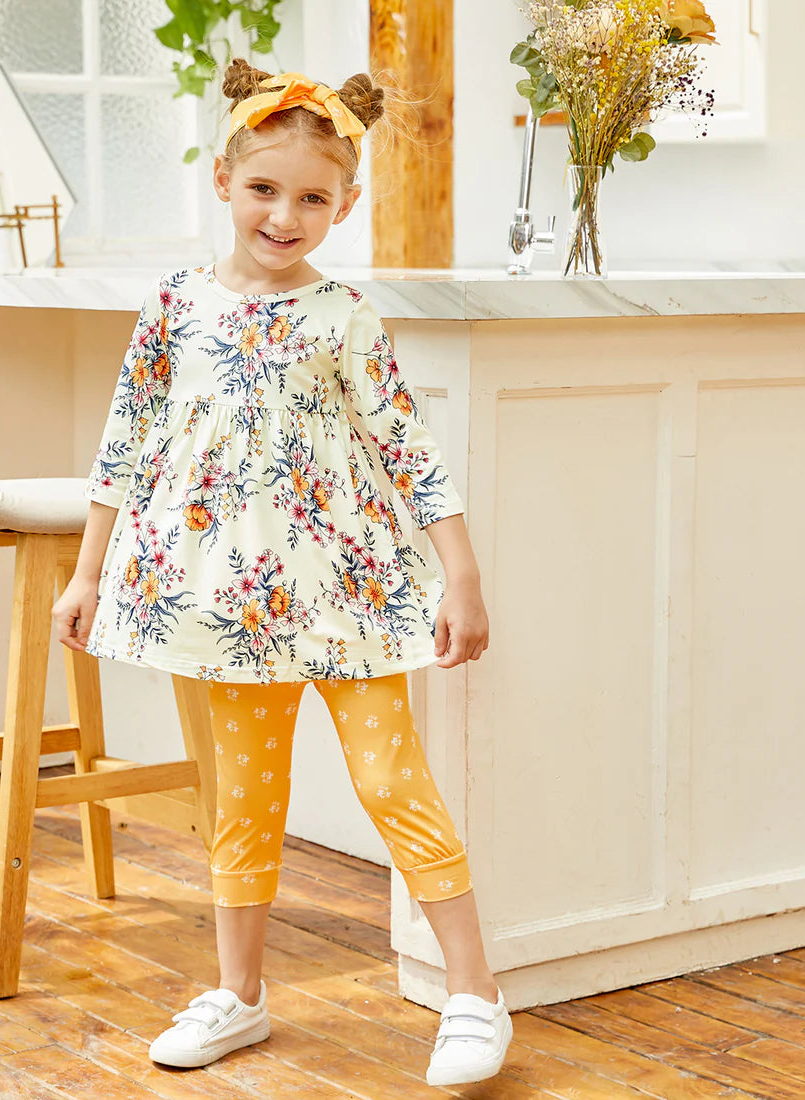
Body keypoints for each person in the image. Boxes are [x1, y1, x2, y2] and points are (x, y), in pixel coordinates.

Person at [52, 57, 510, 1088]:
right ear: (222, 180)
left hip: (345, 593)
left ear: (344, 204)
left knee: (390, 780)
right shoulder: (173, 305)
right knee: (246, 796)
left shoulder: (343, 314)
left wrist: (462, 576)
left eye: (312, 197)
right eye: (264, 187)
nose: (283, 214)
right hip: (228, 605)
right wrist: (87, 574)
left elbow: (406, 448)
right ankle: (240, 993)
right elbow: (124, 443)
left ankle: (474, 991)